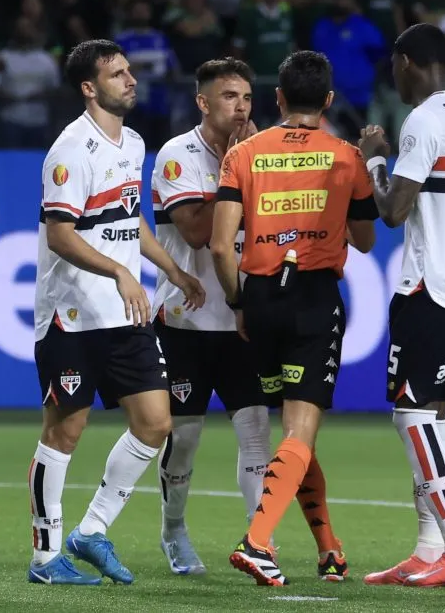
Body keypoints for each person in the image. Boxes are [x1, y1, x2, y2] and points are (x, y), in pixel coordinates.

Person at [27, 39, 205, 587]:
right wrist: (120, 272)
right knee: (64, 433)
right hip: (73, 316)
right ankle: (45, 557)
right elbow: (60, 236)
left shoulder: (132, 142)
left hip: (125, 315)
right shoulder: (69, 151)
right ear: (89, 88)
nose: (131, 79)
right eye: (117, 73)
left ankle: (92, 530)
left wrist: (171, 269)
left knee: (155, 424)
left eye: (129, 71)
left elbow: (128, 220)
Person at [212, 50, 379, 586]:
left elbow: (220, 247)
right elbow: (367, 239)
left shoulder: (243, 154)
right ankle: (257, 542)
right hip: (313, 299)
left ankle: (329, 546)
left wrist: (240, 304)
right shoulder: (346, 156)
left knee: (294, 436)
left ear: (277, 98)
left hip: (258, 299)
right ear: (329, 101)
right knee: (300, 431)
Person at [357, 22, 445, 588]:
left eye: (394, 64)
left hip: (430, 287)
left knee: (412, 414)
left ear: (409, 61)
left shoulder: (423, 121)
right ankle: (428, 548)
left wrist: (373, 160)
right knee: (433, 414)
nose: (392, 74)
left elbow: (392, 212)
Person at [150, 57, 274, 577]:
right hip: (187, 321)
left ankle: (258, 541)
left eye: (246, 97)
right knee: (186, 437)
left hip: (243, 320)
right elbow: (200, 232)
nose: (241, 107)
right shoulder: (178, 155)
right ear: (203, 102)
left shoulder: (263, 153)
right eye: (229, 97)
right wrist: (236, 165)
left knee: (256, 433)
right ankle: (174, 530)